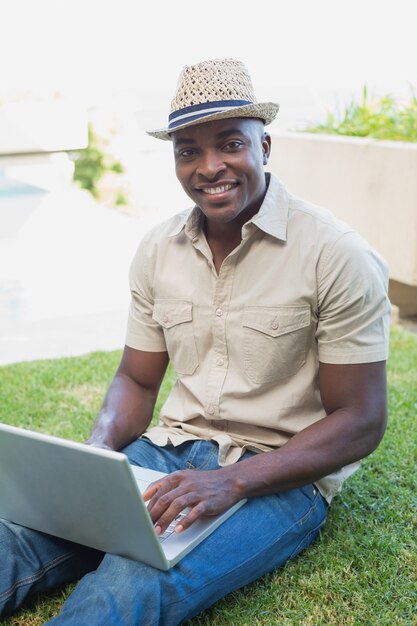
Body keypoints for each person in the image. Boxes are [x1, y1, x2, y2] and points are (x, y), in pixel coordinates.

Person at [0, 58, 390, 625]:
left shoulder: (337, 254)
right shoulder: (158, 250)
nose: (209, 167)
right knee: (17, 535)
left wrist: (230, 480)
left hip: (278, 473)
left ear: (266, 146)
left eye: (230, 143)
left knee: (132, 583)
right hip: (167, 451)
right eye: (188, 150)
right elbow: (136, 379)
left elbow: (360, 420)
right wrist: (97, 461)